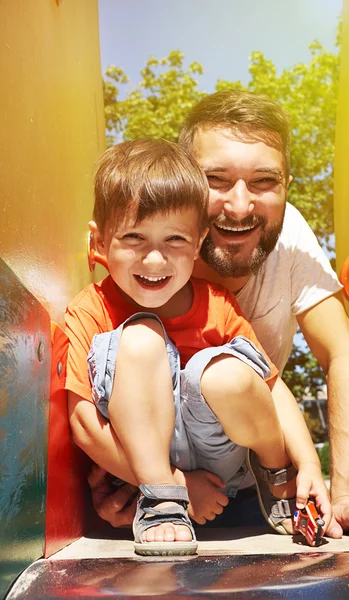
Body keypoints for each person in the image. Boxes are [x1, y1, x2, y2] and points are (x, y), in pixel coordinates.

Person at [89, 90, 349, 543]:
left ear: (287, 185)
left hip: (241, 462)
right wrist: (144, 483)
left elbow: (341, 357)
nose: (239, 206)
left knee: (225, 374)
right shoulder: (149, 247)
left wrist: (347, 494)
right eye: (216, 178)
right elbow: (99, 376)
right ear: (185, 182)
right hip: (155, 473)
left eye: (263, 182)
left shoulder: (289, 233)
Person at [65, 138, 331, 555]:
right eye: (135, 237)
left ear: (198, 240)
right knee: (139, 337)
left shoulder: (216, 304)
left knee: (227, 372)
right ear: (98, 243)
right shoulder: (90, 309)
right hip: (145, 460)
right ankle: (163, 503)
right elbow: (84, 426)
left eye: (174, 240)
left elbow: (271, 386)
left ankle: (274, 473)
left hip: (217, 450)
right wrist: (178, 485)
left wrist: (307, 464)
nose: (155, 260)